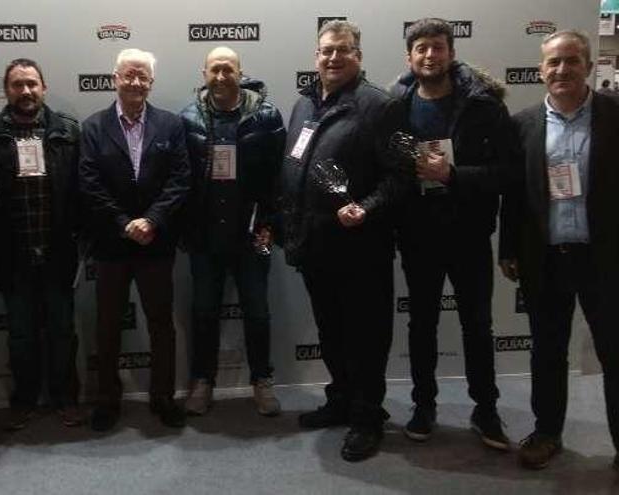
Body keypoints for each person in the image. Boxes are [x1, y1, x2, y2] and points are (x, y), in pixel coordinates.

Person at [279, 20, 407, 461]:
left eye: (343, 50)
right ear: (317, 57)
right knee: (331, 332)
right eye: (326, 51)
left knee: (366, 337)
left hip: (360, 249)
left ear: (359, 55)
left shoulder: (380, 106)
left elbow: (400, 176)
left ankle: (368, 417)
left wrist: (367, 207)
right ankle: (342, 401)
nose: (333, 58)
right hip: (315, 247)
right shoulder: (304, 104)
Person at [389, 18, 513, 449]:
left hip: (469, 236)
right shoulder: (397, 105)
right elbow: (389, 170)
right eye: (421, 48)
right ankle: (424, 406)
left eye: (437, 47)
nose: (429, 55)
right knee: (420, 324)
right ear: (410, 57)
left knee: (477, 326)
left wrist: (454, 175)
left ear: (450, 53)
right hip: (418, 237)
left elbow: (506, 173)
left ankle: (486, 410)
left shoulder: (484, 106)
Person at [500, 29, 619, 471]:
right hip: (546, 257)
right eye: (553, 62)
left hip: (605, 258)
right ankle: (546, 432)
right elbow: (513, 196)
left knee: (615, 351)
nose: (562, 69)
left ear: (588, 66)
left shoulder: (615, 114)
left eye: (572, 60)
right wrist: (508, 247)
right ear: (540, 70)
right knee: (547, 351)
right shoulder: (523, 124)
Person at [79, 48, 190, 432]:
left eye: (143, 76)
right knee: (108, 324)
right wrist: (125, 223)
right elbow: (89, 184)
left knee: (161, 323)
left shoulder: (171, 125)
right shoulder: (92, 127)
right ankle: (108, 400)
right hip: (112, 244)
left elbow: (180, 180)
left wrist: (152, 220)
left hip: (156, 242)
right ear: (115, 78)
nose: (136, 82)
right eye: (129, 74)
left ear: (152, 82)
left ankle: (163, 397)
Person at [0, 58, 84, 431]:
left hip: (57, 252)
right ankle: (23, 400)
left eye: (32, 84)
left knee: (62, 331)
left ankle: (65, 397)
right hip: (12, 254)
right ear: (6, 90)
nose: (25, 91)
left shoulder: (68, 132)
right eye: (17, 85)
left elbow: (81, 195)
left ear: (44, 88)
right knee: (21, 334)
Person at [179, 46, 285, 417]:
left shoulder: (267, 117)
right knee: (204, 312)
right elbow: (182, 182)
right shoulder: (189, 118)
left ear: (240, 72)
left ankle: (262, 380)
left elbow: (278, 179)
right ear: (203, 73)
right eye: (214, 70)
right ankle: (202, 381)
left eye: (228, 69)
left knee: (257, 313)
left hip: (251, 236)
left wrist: (271, 224)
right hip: (205, 239)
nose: (221, 77)